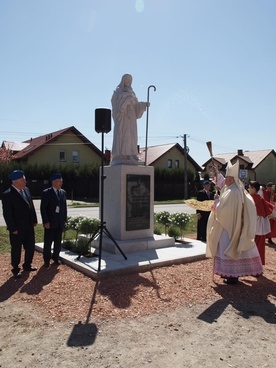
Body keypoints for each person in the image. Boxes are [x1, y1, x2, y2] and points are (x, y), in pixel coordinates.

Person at [206, 161, 263, 284]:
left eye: (227, 177)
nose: (225, 180)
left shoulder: (233, 192)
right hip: (233, 225)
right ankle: (229, 272)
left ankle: (232, 275)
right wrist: (217, 173)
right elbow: (222, 185)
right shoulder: (235, 188)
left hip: (229, 227)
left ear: (232, 179)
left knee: (228, 248)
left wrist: (216, 202)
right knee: (236, 249)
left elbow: (224, 209)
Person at [1, 170, 37, 278]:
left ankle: (27, 265)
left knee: (30, 247)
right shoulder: (7, 194)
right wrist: (13, 228)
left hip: (29, 226)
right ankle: (15, 268)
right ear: (16, 182)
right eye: (23, 180)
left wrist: (34, 220)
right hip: (17, 228)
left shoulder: (26, 190)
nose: (25, 182)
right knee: (16, 248)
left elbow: (31, 207)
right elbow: (7, 214)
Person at [111, 73, 149, 165]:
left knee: (132, 136)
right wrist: (125, 101)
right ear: (123, 80)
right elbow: (115, 104)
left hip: (131, 118)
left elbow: (136, 106)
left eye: (129, 80)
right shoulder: (118, 91)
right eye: (126, 80)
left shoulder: (132, 92)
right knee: (124, 135)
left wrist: (143, 105)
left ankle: (131, 154)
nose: (128, 82)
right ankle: (122, 155)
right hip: (123, 118)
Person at [40, 173, 67, 268]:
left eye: (61, 182)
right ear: (53, 182)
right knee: (48, 243)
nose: (61, 184)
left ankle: (56, 257)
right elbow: (43, 208)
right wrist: (45, 221)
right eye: (59, 182)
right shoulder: (46, 192)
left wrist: (64, 220)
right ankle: (46, 260)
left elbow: (64, 208)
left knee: (58, 242)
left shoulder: (63, 192)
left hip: (59, 222)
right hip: (50, 223)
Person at [248, 181, 274, 265]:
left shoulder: (251, 198)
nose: (248, 189)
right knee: (260, 246)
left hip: (254, 225)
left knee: (252, 246)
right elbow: (269, 207)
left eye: (249, 187)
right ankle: (258, 263)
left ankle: (254, 265)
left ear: (254, 189)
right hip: (260, 226)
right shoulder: (259, 197)